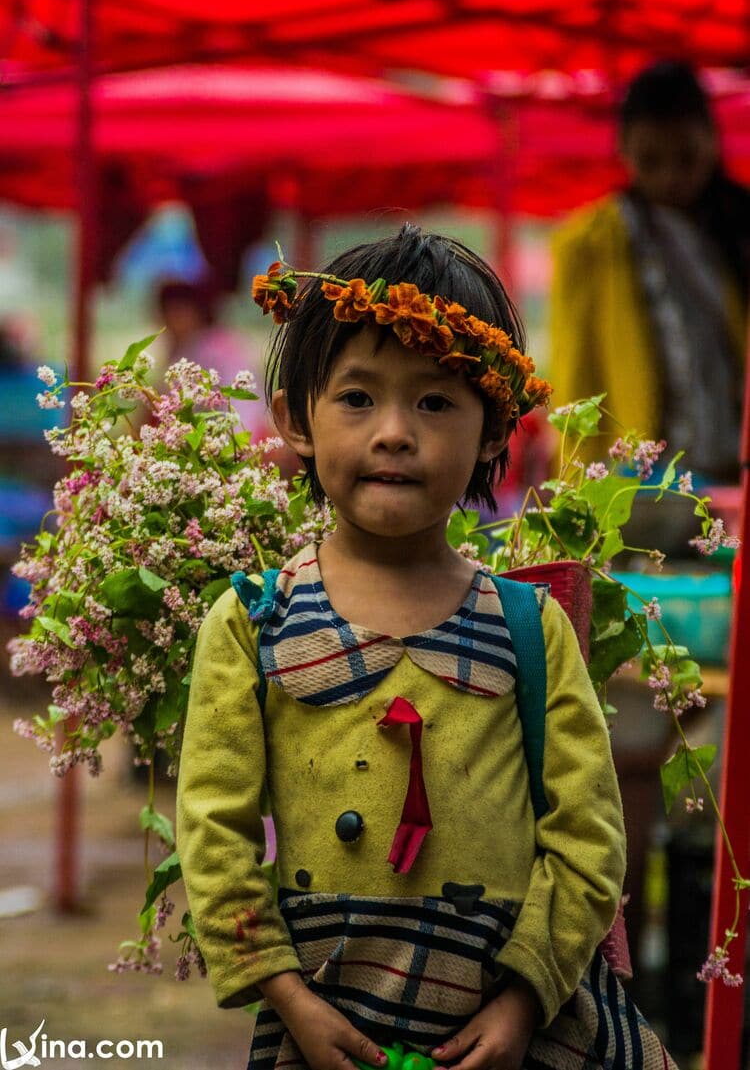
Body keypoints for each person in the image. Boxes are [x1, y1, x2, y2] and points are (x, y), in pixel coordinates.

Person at [176, 225, 677, 1070]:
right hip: (320, 1025)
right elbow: (213, 834)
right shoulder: (250, 623)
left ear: (494, 434)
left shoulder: (530, 628)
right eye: (358, 398)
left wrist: (525, 998)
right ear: (297, 417)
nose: (396, 432)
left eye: (436, 402)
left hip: (506, 1031)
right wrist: (288, 997)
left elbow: (590, 836)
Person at [549, 60, 749, 481]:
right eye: (651, 160)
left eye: (686, 158)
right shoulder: (589, 244)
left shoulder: (739, 226)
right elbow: (575, 380)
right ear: (624, 150)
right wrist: (576, 484)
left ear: (713, 141)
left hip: (736, 468)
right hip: (645, 482)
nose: (671, 177)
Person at [156, 278, 271, 441]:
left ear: (196, 312)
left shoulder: (207, 347)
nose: (169, 322)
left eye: (177, 312)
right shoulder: (198, 345)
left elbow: (165, 404)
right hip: (237, 436)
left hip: (237, 437)